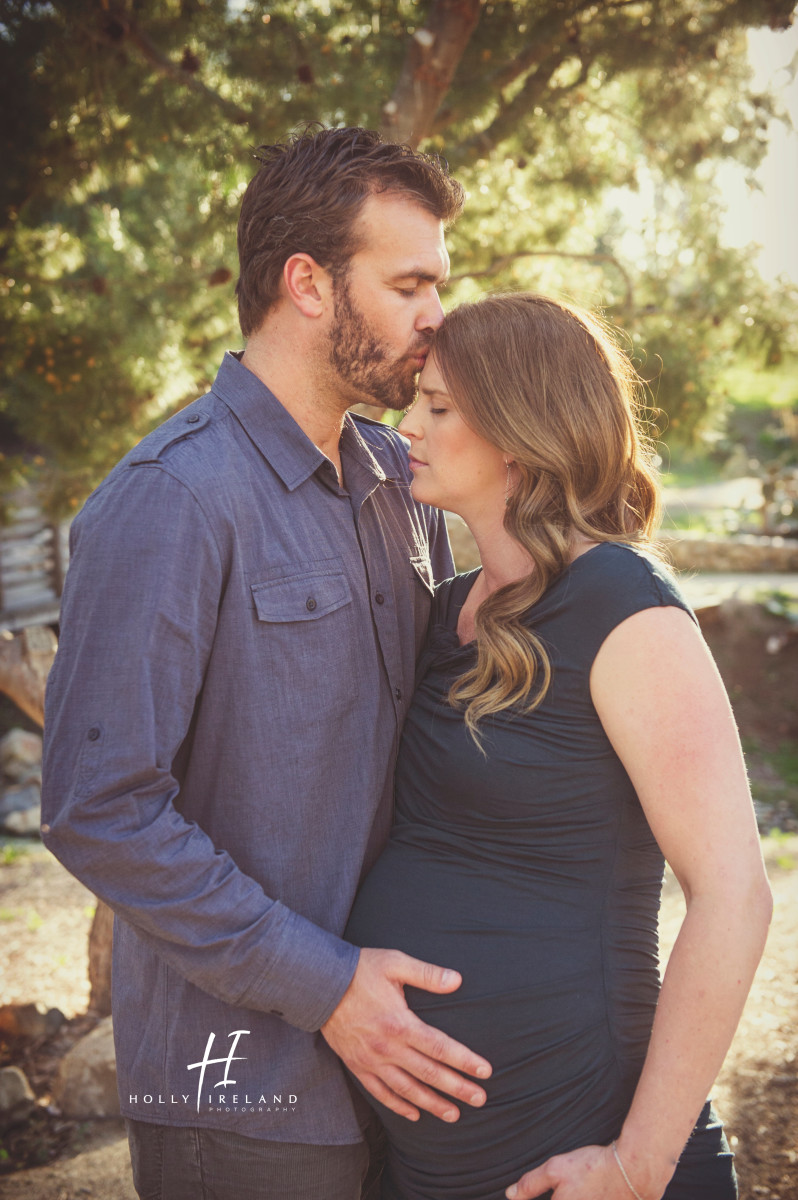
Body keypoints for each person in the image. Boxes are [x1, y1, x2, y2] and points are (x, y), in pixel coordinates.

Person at [40, 126, 493, 1200]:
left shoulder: (399, 480)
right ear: (307, 284)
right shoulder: (172, 500)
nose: (439, 316)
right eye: (410, 283)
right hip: (243, 1086)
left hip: (406, 1071)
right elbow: (98, 809)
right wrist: (329, 987)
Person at [345, 292, 773, 1200]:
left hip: (583, 1140)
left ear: (519, 428)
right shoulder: (446, 608)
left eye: (440, 407)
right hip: (437, 1162)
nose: (407, 425)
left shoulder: (621, 603)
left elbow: (734, 894)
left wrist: (637, 1164)